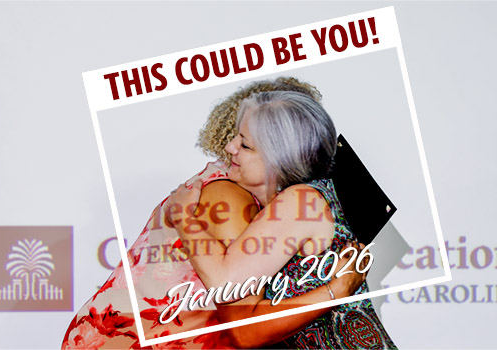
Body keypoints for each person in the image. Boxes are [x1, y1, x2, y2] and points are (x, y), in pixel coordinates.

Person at [62, 78, 369, 349]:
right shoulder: (231, 198)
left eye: (245, 144)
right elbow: (241, 322)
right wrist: (336, 290)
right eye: (237, 137)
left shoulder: (274, 202)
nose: (231, 147)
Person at [167, 91, 397, 348]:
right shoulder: (287, 205)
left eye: (245, 144)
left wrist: (183, 217)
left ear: (278, 158)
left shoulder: (300, 201)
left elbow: (227, 291)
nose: (230, 147)